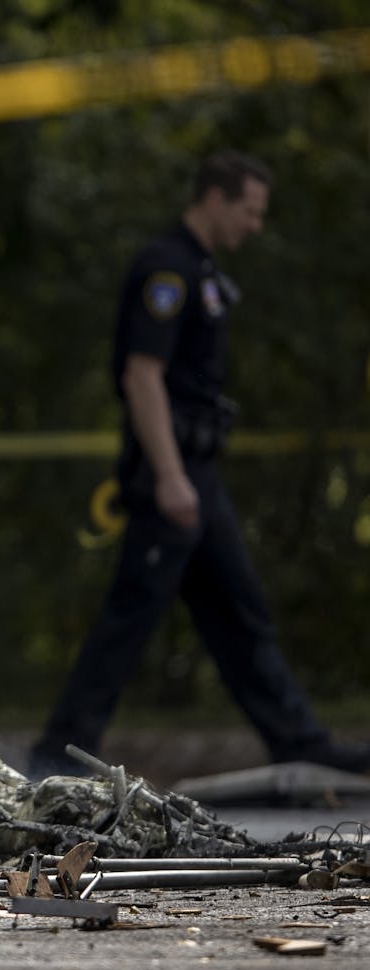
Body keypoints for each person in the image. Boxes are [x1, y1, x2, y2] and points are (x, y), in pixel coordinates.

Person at [29, 150, 370, 779]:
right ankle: (58, 750)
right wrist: (168, 475)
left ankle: (298, 740)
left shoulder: (201, 269)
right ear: (215, 197)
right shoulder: (168, 269)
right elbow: (141, 375)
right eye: (250, 209)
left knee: (238, 610)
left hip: (194, 474)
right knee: (131, 615)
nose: (256, 225)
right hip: (172, 472)